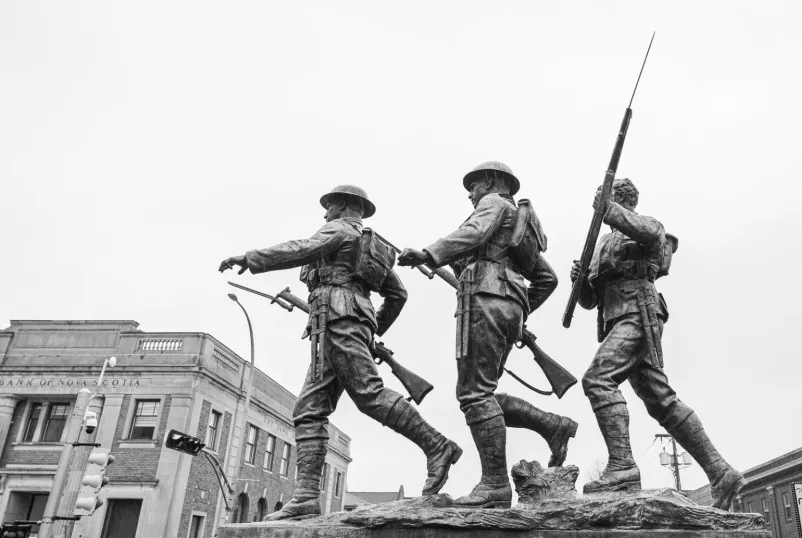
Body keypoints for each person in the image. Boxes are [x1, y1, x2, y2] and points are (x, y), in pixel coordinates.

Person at [219, 185, 462, 520]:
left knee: (368, 394)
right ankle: (305, 497)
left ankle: (437, 446)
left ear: (345, 206)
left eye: (329, 206)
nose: (325, 214)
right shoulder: (369, 244)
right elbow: (398, 294)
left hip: (335, 319)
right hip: (336, 323)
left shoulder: (338, 230)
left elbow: (301, 248)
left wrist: (251, 258)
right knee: (309, 410)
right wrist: (371, 329)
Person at [398, 162, 577, 509]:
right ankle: (552, 425)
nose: (470, 192)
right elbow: (547, 279)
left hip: (485, 303)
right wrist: (518, 313)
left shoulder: (493, 204)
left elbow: (472, 233)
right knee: (484, 394)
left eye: (475, 185)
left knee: (474, 395)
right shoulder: (515, 222)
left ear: (494, 182)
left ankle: (495, 484)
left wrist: (429, 253)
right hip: (505, 306)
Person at [570, 177, 745, 509]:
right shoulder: (600, 245)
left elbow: (651, 235)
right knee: (661, 400)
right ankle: (721, 471)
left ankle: (622, 465)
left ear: (623, 203)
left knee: (598, 379)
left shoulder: (647, 227)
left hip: (639, 313)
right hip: (617, 319)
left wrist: (609, 210)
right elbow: (590, 301)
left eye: (610, 200)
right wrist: (579, 281)